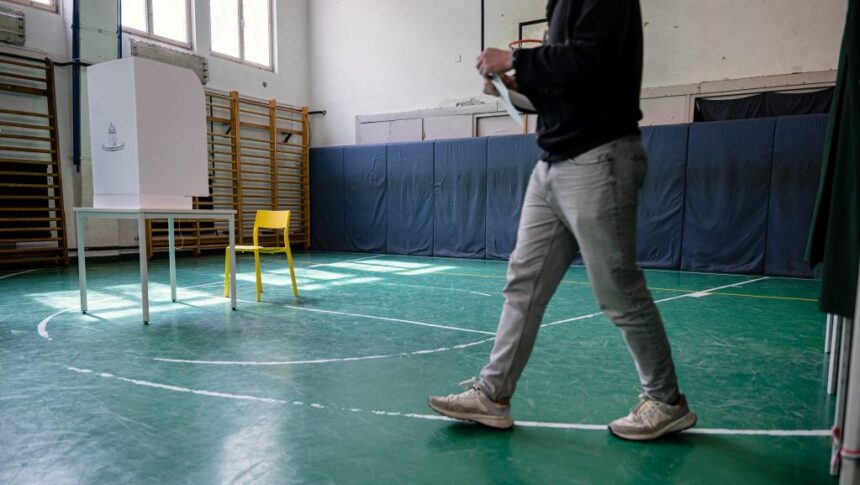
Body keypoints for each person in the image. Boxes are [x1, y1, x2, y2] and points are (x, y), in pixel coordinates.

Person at [427, 0, 696, 441]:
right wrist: (513, 88)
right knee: (524, 284)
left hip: (598, 157)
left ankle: (666, 402)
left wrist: (516, 59)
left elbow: (594, 59)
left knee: (618, 290)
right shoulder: (559, 5)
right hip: (552, 163)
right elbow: (565, 90)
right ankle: (492, 395)